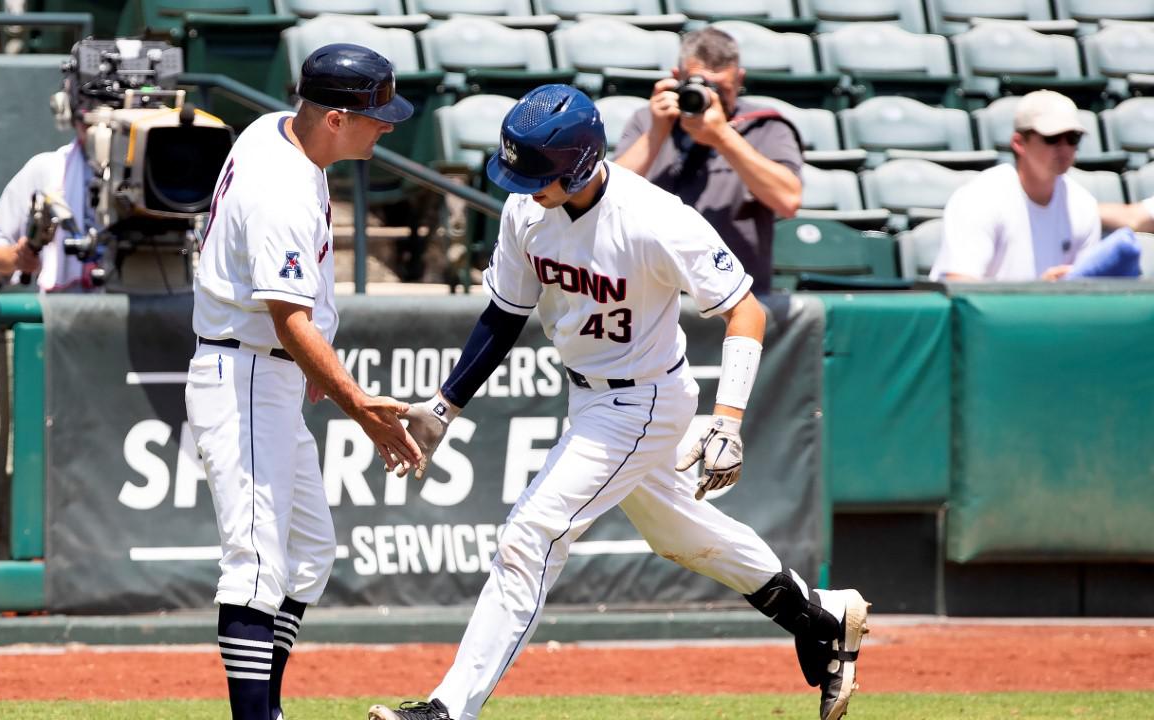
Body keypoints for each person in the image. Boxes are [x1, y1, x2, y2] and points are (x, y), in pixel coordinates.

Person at [367, 85, 869, 720]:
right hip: (593, 400)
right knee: (681, 534)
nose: (521, 186)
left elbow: (746, 308)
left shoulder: (655, 218)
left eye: (536, 174)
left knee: (530, 535)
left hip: (645, 401)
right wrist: (444, 406)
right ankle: (820, 616)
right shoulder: (527, 211)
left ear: (579, 164)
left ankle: (448, 709)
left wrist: (730, 418)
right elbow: (503, 314)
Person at [184, 43, 422, 720]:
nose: (389, 125)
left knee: (310, 554)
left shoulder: (275, 131)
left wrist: (316, 365)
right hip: (245, 373)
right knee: (256, 564)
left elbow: (296, 314)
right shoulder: (281, 186)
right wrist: (358, 403)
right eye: (378, 115)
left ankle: (270, 707)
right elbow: (288, 318)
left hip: (269, 371)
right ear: (336, 119)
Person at [614, 27, 803, 296]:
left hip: (734, 299)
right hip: (650, 298)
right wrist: (656, 133)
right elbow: (607, 197)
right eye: (700, 85)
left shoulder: (766, 128)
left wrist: (723, 137)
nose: (711, 98)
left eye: (722, 89)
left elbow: (788, 201)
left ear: (740, 80)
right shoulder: (647, 120)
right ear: (677, 78)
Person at [930, 90, 1100, 281]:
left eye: (1073, 138)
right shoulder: (980, 198)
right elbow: (959, 286)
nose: (1064, 148)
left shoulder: (1084, 206)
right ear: (1019, 143)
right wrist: (1037, 298)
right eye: (1051, 138)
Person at [0, 111, 100, 292]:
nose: (92, 118)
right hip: (63, 312)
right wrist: (17, 257)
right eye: (86, 107)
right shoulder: (46, 169)